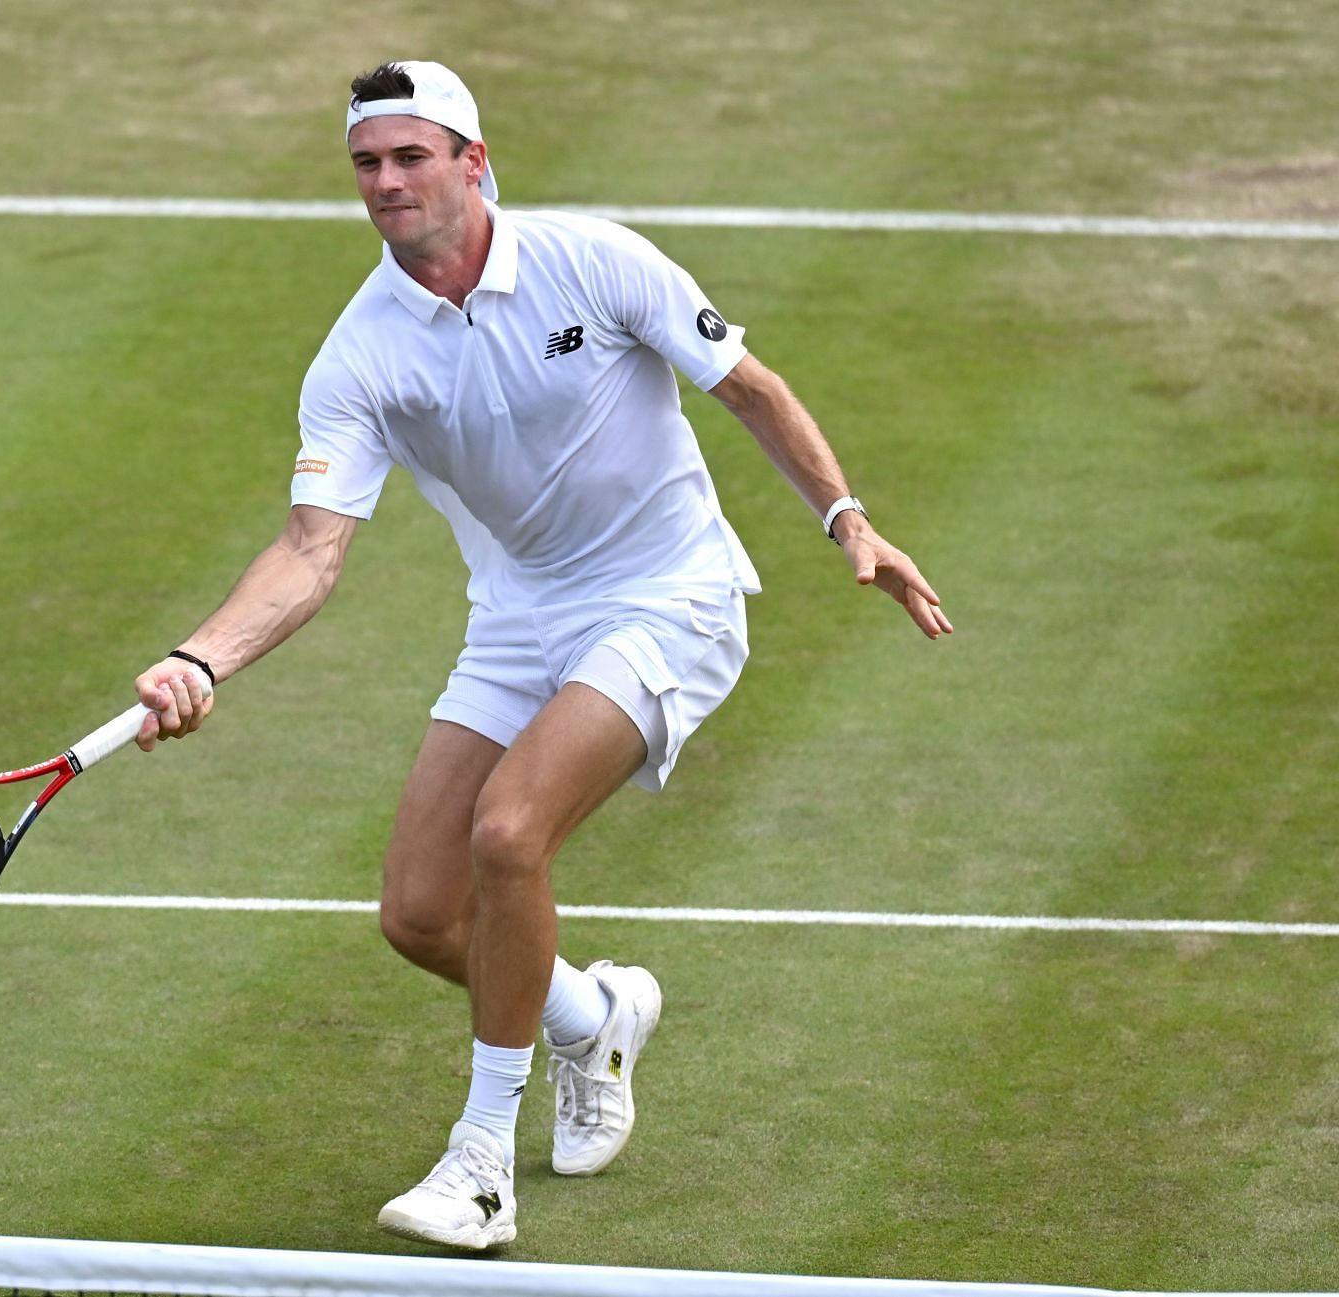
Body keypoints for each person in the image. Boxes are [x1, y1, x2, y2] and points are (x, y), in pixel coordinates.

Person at [129, 60, 952, 1251]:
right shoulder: (358, 357)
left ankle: (480, 1167)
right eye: (368, 163)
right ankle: (592, 1014)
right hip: (520, 619)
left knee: (509, 833)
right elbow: (311, 549)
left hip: (671, 597)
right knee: (418, 914)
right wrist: (199, 658)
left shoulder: (595, 260)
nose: (387, 182)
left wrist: (848, 519)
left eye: (413, 156)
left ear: (474, 161)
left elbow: (752, 389)